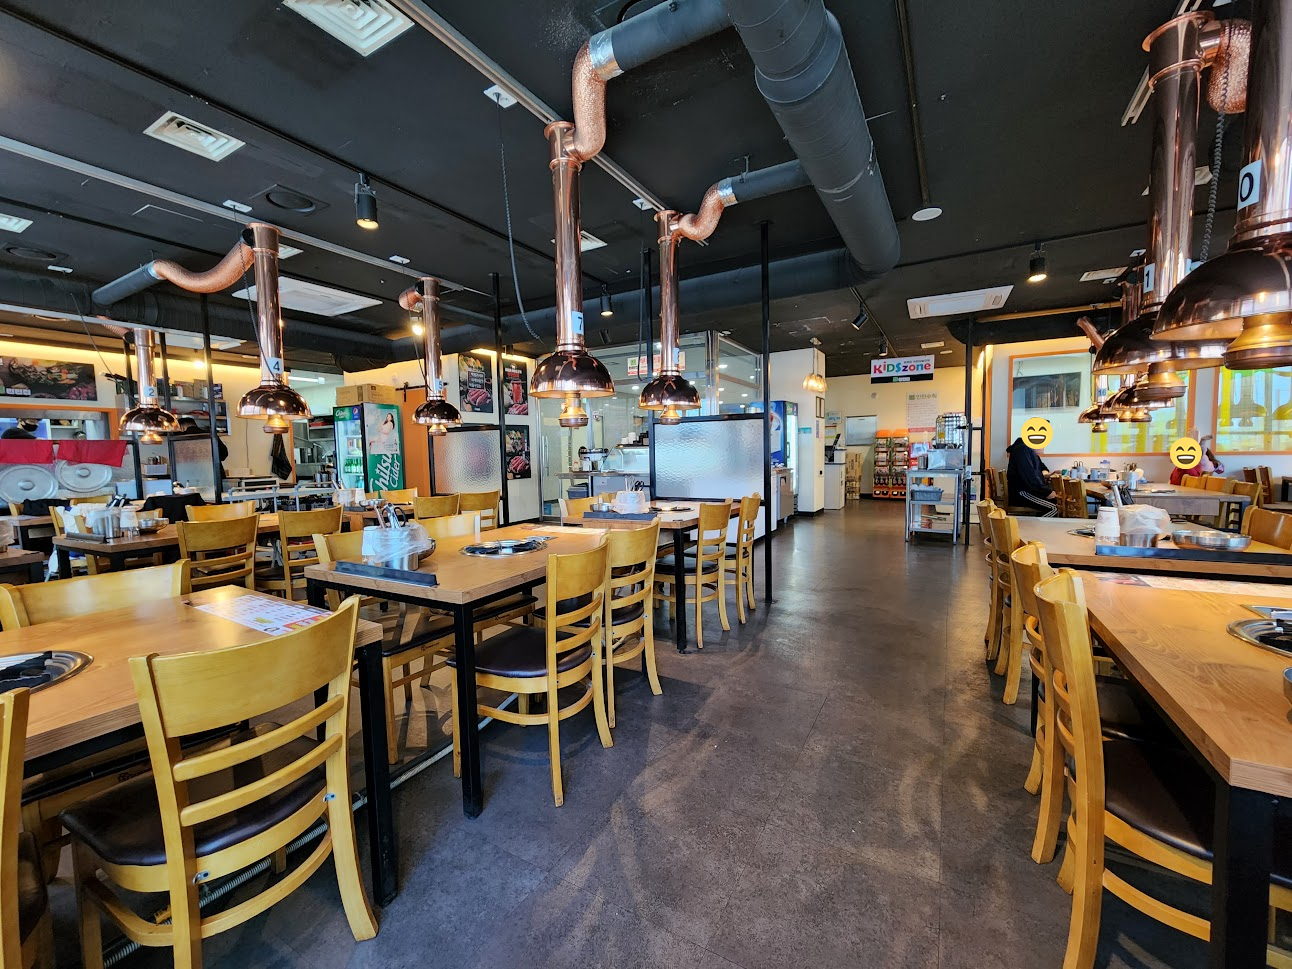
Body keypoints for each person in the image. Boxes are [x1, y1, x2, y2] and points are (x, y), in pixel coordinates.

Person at [1006, 435, 1058, 517]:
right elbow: (1029, 477)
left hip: (1029, 491)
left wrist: (1044, 474)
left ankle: (1037, 523)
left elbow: (1043, 468)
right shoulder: (1022, 450)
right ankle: (1035, 525)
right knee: (1056, 508)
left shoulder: (1031, 452)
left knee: (1058, 503)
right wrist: (1047, 492)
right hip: (1022, 493)